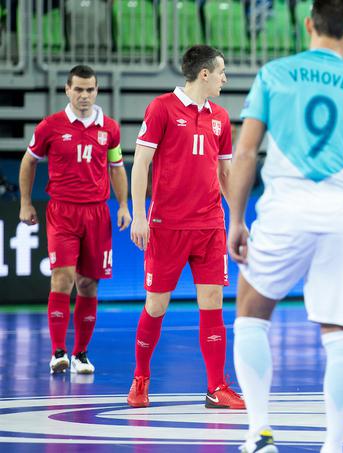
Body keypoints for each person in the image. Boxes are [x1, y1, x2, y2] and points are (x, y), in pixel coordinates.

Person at [228, 1, 343, 450]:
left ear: (308, 24)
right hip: (340, 215)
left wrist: (237, 219)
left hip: (283, 213)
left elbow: (244, 155)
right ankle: (334, 446)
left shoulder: (274, 75)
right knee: (340, 337)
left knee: (251, 315)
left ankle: (259, 432)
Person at [126, 45, 245, 410]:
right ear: (204, 74)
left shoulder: (221, 117)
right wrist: (140, 215)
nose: (225, 78)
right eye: (221, 71)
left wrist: (236, 217)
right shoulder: (161, 108)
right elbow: (141, 163)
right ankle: (140, 380)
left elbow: (225, 172)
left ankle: (216, 387)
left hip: (210, 225)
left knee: (213, 305)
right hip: (168, 226)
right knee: (156, 305)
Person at [18, 64, 131, 375]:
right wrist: (26, 203)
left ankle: (81, 353)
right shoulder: (50, 126)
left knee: (88, 284)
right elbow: (29, 162)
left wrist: (123, 205)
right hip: (63, 211)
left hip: (97, 213)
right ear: (68, 90)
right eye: (78, 89)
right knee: (62, 278)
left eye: (90, 89)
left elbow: (117, 167)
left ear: (96, 91)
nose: (84, 95)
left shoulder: (110, 128)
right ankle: (58, 352)